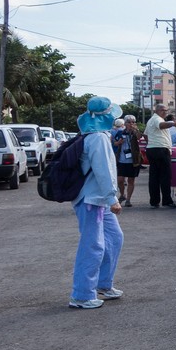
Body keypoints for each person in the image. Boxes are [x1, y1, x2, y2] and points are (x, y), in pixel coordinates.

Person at [69, 96, 125, 309]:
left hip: (95, 198)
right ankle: (82, 295)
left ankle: (102, 284)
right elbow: (104, 171)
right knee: (92, 245)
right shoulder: (98, 139)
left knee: (114, 237)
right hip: (92, 199)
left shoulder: (93, 135)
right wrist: (113, 199)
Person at [144, 102, 176, 208]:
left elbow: (145, 134)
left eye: (166, 110)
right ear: (157, 111)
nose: (165, 112)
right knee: (165, 176)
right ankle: (167, 201)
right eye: (163, 110)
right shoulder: (157, 119)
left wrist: (152, 142)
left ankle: (154, 201)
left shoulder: (151, 120)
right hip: (161, 149)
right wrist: (173, 123)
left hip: (152, 148)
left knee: (154, 177)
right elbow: (161, 125)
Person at [112, 115, 143, 208]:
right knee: (120, 180)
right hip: (121, 159)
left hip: (133, 160)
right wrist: (119, 143)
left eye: (133, 122)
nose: (131, 124)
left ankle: (128, 199)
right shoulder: (120, 132)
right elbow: (114, 143)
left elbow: (139, 137)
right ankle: (122, 194)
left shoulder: (135, 132)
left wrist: (136, 129)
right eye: (129, 122)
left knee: (131, 180)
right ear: (124, 123)